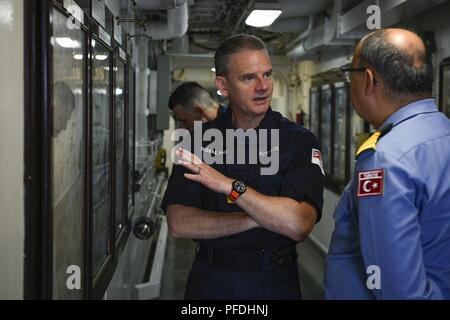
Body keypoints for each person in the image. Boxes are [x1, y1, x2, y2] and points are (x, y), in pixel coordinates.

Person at [161, 34, 325, 299]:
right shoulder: (197, 143)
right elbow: (180, 223)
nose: (263, 86)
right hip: (211, 281)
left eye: (268, 75)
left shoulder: (298, 141)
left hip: (273, 282)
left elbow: (298, 224)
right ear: (223, 86)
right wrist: (260, 216)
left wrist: (229, 186)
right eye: (248, 78)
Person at [325, 28, 450, 299]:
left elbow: (400, 292)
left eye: (351, 74)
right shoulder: (443, 134)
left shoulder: (385, 161)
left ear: (369, 80)